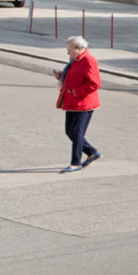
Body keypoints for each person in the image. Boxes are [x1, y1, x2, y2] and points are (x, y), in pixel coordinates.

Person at [52, 35, 102, 173]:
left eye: (69, 50)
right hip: (72, 101)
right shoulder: (75, 59)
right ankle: (92, 152)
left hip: (83, 103)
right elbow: (75, 75)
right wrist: (62, 75)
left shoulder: (88, 60)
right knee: (69, 131)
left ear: (80, 48)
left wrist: (76, 92)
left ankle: (75, 163)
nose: (68, 53)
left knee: (77, 133)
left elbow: (95, 83)